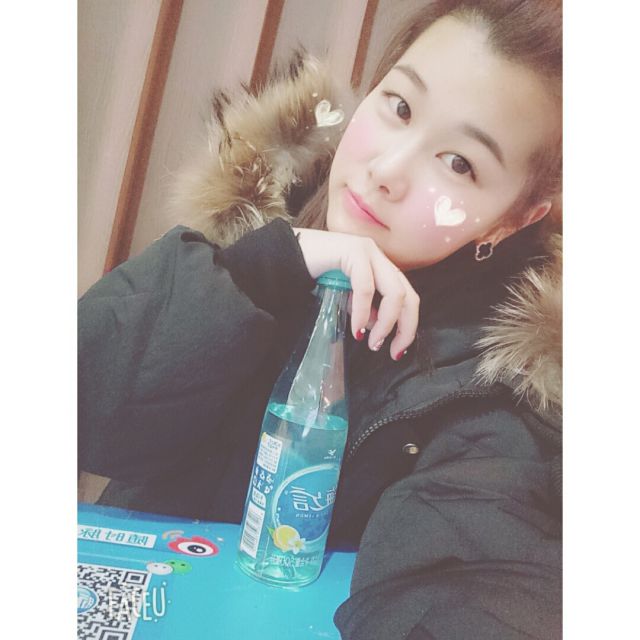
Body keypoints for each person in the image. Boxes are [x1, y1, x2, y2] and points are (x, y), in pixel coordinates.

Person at [78, 1, 562, 637]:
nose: (386, 171)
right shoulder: (256, 223)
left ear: (513, 218)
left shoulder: (499, 387)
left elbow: (474, 578)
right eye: (400, 106)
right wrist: (270, 266)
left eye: (459, 164)